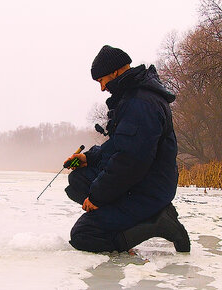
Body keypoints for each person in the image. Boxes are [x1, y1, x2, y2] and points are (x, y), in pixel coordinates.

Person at [63, 45, 190, 253]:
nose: (102, 88)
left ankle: (156, 223)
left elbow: (130, 161)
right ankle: (127, 219)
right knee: (78, 179)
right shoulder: (131, 98)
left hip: (149, 189)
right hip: (144, 181)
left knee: (84, 235)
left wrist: (97, 197)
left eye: (101, 81)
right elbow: (119, 145)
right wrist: (89, 158)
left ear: (114, 72)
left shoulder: (140, 104)